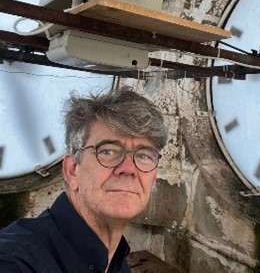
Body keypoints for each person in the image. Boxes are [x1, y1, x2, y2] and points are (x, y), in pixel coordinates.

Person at [0, 86, 168, 273]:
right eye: (108, 151)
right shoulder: (15, 263)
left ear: (153, 178)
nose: (129, 169)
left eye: (144, 156)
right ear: (72, 170)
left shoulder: (115, 259)